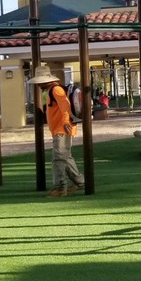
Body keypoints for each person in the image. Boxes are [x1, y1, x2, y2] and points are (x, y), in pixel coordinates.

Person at [32, 66, 85, 196]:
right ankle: (80, 182)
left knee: (58, 159)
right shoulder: (51, 90)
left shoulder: (56, 90)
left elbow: (65, 105)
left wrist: (66, 121)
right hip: (61, 128)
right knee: (66, 157)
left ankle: (61, 187)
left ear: (44, 81)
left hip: (62, 128)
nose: (38, 85)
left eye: (39, 82)